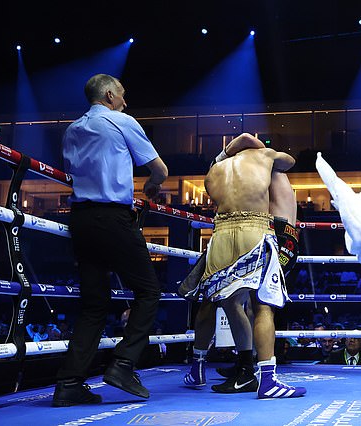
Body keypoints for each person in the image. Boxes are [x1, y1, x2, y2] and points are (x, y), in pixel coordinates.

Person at [52, 73, 168, 407]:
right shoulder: (121, 121)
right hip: (113, 217)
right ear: (109, 94)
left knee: (94, 305)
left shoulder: (72, 129)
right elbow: (160, 170)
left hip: (81, 219)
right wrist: (152, 186)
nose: (126, 101)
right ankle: (122, 364)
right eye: (122, 95)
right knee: (148, 291)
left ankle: (69, 384)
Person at [181, 134, 301, 395]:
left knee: (220, 303)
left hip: (220, 234)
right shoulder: (265, 157)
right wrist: (263, 149)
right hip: (259, 230)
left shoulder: (215, 171)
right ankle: (265, 378)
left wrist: (225, 154)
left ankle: (211, 367)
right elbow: (289, 160)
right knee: (262, 306)